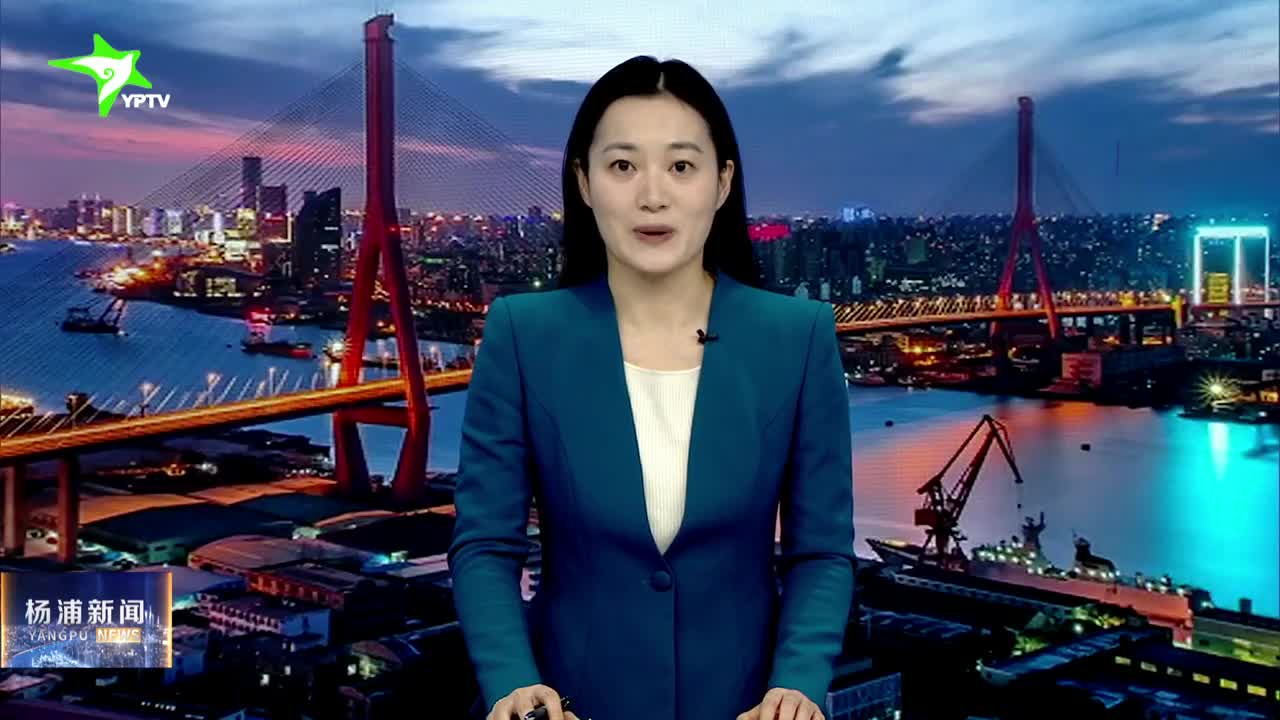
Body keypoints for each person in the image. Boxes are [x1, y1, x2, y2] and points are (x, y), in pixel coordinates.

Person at [448, 55, 855, 720]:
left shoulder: (799, 337)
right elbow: (486, 543)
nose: (652, 195)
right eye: (622, 165)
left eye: (681, 166)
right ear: (584, 182)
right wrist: (511, 681)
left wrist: (798, 686)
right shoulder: (524, 333)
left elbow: (821, 553)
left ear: (722, 183)